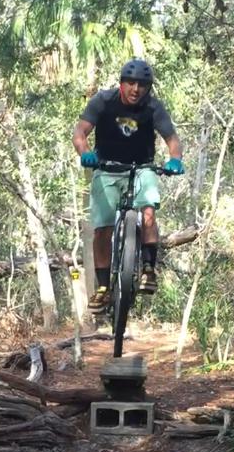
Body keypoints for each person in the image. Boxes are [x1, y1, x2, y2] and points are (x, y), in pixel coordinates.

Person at [72, 59, 184, 313]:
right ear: (122, 83)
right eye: (131, 83)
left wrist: (175, 159)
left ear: (148, 88)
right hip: (107, 167)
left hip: (142, 167)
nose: (136, 89)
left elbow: (171, 138)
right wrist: (85, 153)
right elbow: (80, 133)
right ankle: (103, 288)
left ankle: (147, 269)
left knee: (148, 211)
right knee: (102, 228)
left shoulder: (153, 107)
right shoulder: (103, 101)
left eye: (142, 85)